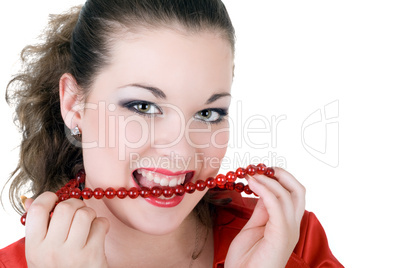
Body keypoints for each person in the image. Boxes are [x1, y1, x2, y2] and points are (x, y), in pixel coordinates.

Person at [0, 0, 343, 267]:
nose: (180, 151)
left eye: (208, 113)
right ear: (74, 104)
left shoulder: (288, 242)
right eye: (143, 107)